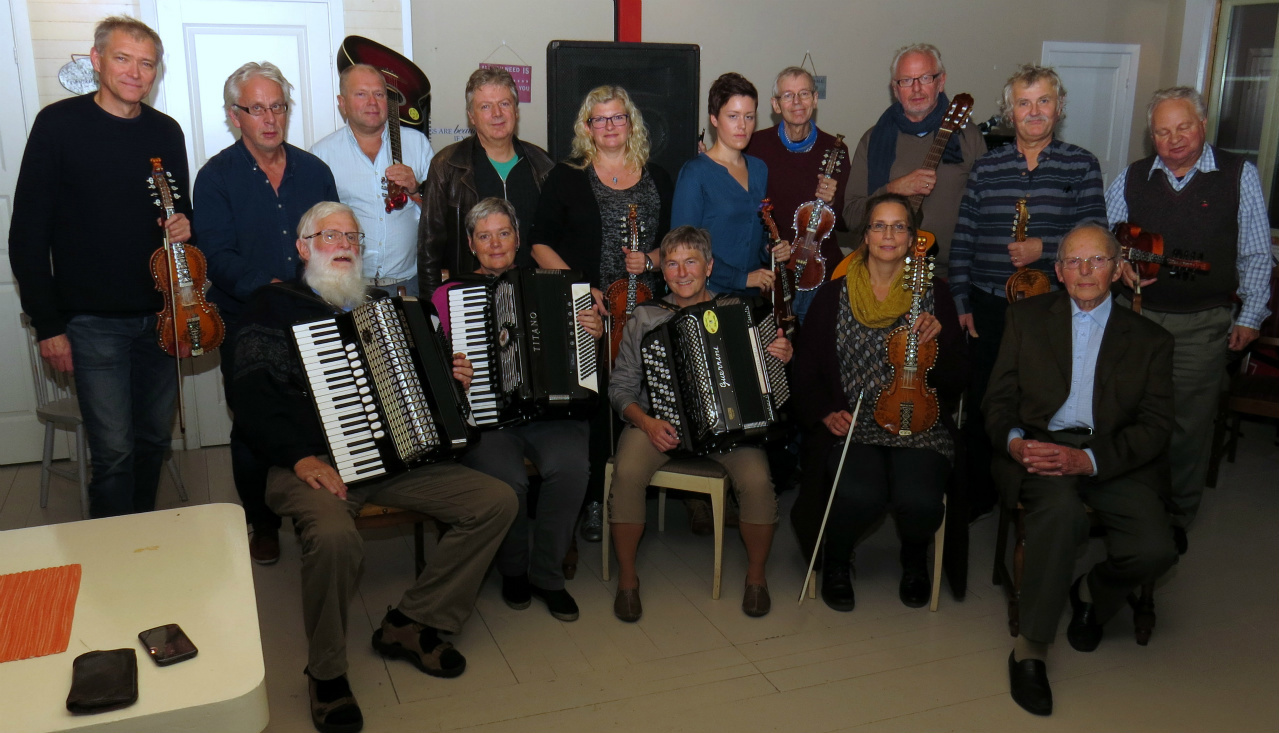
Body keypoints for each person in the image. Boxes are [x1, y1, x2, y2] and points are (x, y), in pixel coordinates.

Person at [233, 201, 517, 733]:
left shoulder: (389, 305)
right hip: (306, 463)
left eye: (352, 237)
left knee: (494, 501)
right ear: (303, 247)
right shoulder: (268, 308)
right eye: (329, 235)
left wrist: (449, 379)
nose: (343, 244)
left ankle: (413, 622)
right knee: (336, 538)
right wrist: (299, 457)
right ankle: (326, 672)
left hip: (395, 459)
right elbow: (249, 400)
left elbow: (424, 394)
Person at [984, 223, 1177, 716]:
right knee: (1061, 516)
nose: (1086, 271)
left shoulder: (1151, 339)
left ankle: (1092, 590)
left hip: (1111, 456)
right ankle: (1029, 650)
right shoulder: (1025, 319)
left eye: (1097, 261)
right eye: (1074, 261)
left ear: (1117, 269)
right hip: (1043, 449)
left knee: (1156, 547)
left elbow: (1155, 427)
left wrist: (1089, 460)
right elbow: (998, 401)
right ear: (1058, 271)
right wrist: (1016, 444)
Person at [10, 16, 191, 517]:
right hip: (91, 324)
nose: (135, 72)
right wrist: (49, 326)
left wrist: (184, 225)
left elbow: (181, 214)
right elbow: (26, 236)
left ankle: (141, 544)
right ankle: (112, 558)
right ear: (96, 60)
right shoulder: (58, 124)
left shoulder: (165, 132)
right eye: (122, 58)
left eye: (147, 63)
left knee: (155, 441)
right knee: (113, 453)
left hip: (160, 319)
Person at [1105, 86, 1273, 553]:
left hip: (1202, 323)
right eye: (1162, 131)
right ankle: (1125, 504)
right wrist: (1114, 260)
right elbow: (1102, 237)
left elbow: (1257, 253)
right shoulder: (1133, 177)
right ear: (1151, 135)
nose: (1174, 139)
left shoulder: (1238, 175)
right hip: (1134, 318)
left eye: (1183, 127)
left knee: (1186, 425)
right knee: (1126, 413)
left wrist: (1252, 315)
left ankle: (1175, 513)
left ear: (1202, 126)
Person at [790, 193, 968, 611]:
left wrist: (942, 339)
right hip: (854, 421)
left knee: (920, 498)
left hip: (918, 422)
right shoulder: (833, 295)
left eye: (899, 226)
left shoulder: (934, 294)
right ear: (865, 236)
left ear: (913, 238)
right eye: (878, 226)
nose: (888, 234)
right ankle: (836, 558)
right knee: (859, 493)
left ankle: (913, 556)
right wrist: (824, 412)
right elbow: (806, 369)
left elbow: (958, 377)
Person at [430, 197, 603, 621]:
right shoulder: (449, 295)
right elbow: (434, 367)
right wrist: (453, 368)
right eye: (484, 236)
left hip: (550, 414)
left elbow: (581, 357)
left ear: (519, 239)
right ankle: (513, 571)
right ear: (471, 244)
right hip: (489, 419)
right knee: (509, 483)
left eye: (503, 234)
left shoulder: (559, 285)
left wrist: (594, 334)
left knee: (571, 469)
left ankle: (547, 575)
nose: (495, 244)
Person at [607, 225, 793, 620]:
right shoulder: (645, 317)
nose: (681, 272)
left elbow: (766, 380)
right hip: (655, 424)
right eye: (671, 264)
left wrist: (780, 357)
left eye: (691, 262)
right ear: (663, 272)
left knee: (758, 480)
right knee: (626, 471)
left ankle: (756, 578)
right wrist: (647, 422)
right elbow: (621, 387)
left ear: (709, 267)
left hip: (729, 429)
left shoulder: (738, 311)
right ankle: (627, 581)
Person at [194, 61, 339, 563]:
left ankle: (315, 501)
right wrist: (276, 288)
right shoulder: (216, 178)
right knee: (253, 420)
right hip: (247, 318)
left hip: (313, 316)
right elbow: (215, 254)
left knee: (313, 409)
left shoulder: (315, 171)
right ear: (237, 116)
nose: (269, 118)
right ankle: (261, 520)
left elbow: (333, 238)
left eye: (277, 106)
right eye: (257, 108)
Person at [948, 63, 1107, 519]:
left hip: (1052, 310)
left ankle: (1034, 495)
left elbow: (1097, 237)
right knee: (986, 400)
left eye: (1043, 101)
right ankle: (979, 492)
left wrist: (1046, 247)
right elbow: (964, 237)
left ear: (1058, 109)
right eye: (1023, 103)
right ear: (1008, 112)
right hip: (987, 305)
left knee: (1039, 403)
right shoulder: (987, 166)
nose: (1033, 111)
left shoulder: (1082, 164)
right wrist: (960, 299)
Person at [528, 84, 674, 545]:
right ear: (587, 127)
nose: (609, 127)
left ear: (631, 122)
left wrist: (650, 260)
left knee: (642, 397)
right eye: (600, 119)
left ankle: (633, 494)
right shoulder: (567, 176)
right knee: (592, 405)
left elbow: (674, 243)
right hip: (589, 311)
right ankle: (592, 500)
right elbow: (537, 242)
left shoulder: (658, 177)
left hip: (646, 310)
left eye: (618, 118)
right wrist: (576, 287)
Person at [844, 43, 985, 276]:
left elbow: (988, 212)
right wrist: (894, 189)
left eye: (926, 78)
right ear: (895, 88)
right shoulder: (873, 140)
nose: (916, 89)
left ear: (941, 82)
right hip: (887, 274)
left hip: (955, 276)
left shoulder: (968, 137)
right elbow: (851, 216)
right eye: (906, 81)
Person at [418, 67, 554, 297]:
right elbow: (429, 249)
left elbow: (556, 240)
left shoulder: (543, 165)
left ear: (516, 111)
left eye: (504, 104)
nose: (497, 113)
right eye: (485, 107)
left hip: (534, 295)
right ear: (471, 116)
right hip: (470, 298)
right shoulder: (447, 165)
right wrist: (435, 311)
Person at [312, 63, 433, 295]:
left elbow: (441, 215)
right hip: (347, 286)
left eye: (379, 94)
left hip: (408, 284)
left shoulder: (416, 144)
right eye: (361, 94)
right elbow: (314, 229)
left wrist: (416, 190)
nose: (372, 102)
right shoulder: (321, 155)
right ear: (342, 103)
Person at [746, 66, 851, 323]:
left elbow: (850, 219)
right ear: (776, 104)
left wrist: (834, 201)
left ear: (815, 100)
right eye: (788, 95)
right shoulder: (754, 146)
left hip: (823, 276)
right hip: (774, 275)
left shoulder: (836, 150)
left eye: (804, 93)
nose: (797, 102)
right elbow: (746, 214)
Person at [672, 72, 790, 298]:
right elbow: (683, 249)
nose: (742, 126)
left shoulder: (759, 169)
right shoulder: (695, 172)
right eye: (733, 116)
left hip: (752, 296)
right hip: (707, 296)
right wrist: (742, 278)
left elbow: (753, 233)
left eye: (749, 117)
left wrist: (771, 249)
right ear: (714, 119)